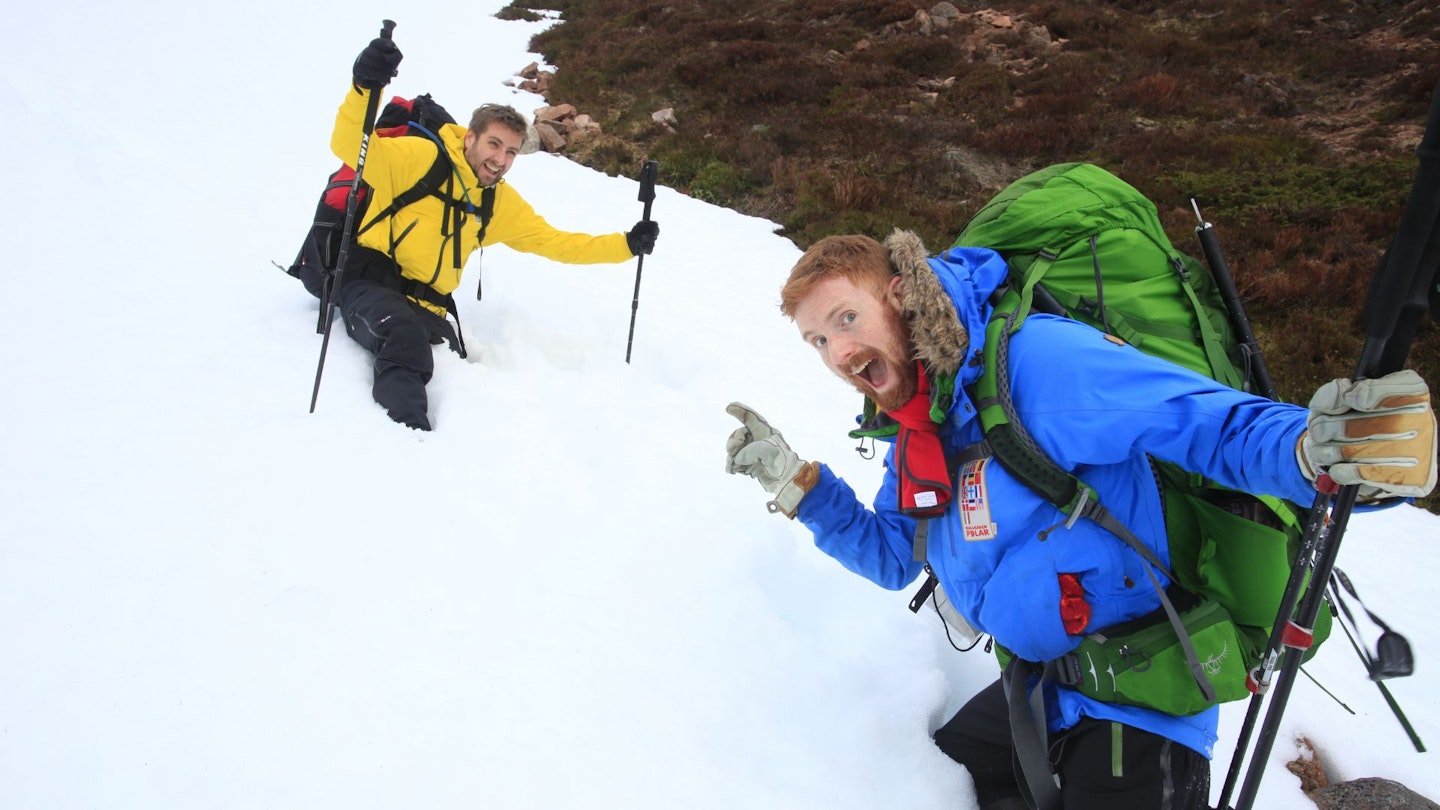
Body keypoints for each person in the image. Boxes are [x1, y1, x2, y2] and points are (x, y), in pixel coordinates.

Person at [724, 230, 1437, 809]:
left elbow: (1202, 425)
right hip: (1039, 691)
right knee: (927, 782)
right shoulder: (919, 430)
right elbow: (894, 556)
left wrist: (1323, 449)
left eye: (846, 319)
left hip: (1140, 706)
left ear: (900, 294)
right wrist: (802, 490)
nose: (839, 353)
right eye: (817, 341)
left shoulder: (1037, 366)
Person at [331, 35, 660, 430]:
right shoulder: (418, 160)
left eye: (511, 152)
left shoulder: (496, 202)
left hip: (429, 306)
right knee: (403, 339)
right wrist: (365, 87)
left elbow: (556, 242)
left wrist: (625, 244)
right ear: (470, 137)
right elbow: (351, 144)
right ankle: (409, 442)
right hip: (370, 283)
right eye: (493, 144)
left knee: (448, 359)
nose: (500, 160)